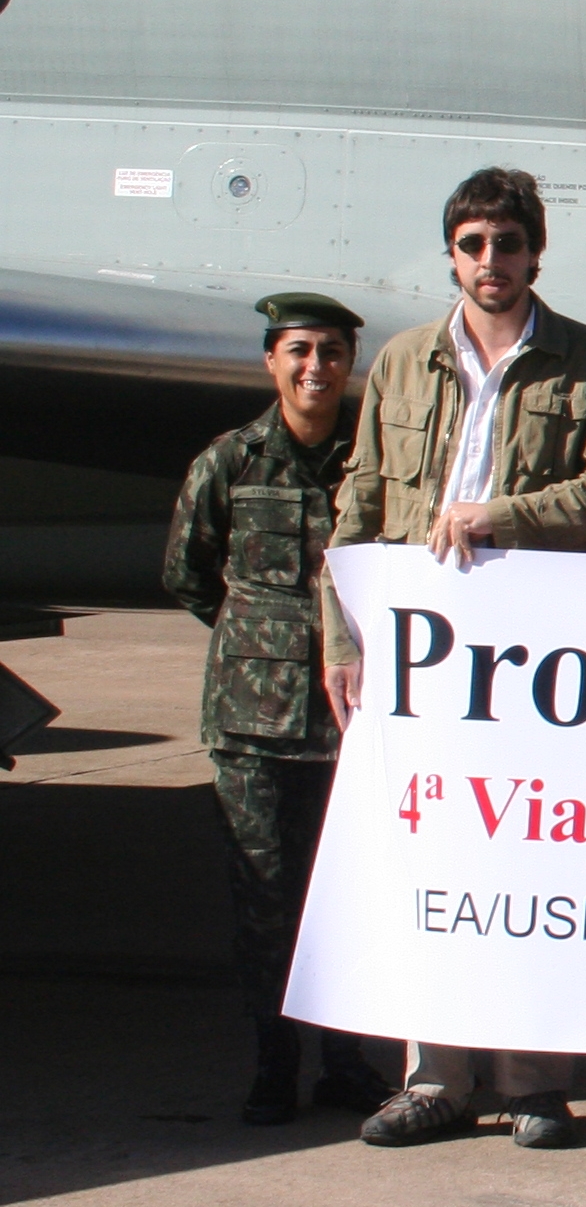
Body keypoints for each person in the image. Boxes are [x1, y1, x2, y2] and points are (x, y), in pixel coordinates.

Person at [330, 168, 586, 1153]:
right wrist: (344, 637)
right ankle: (434, 1079)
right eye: (473, 244)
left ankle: (536, 1084)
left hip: (534, 657)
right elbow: (362, 498)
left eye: (508, 243)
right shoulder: (402, 362)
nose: (491, 260)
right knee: (433, 861)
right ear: (452, 255)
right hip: (423, 654)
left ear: (535, 252)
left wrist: (499, 518)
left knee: (531, 861)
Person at [161, 292, 391, 1128]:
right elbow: (188, 574)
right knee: (265, 903)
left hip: (349, 724)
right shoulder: (231, 461)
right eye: (299, 351)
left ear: (349, 365)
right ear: (271, 361)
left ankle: (345, 1061)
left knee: (346, 898)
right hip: (252, 728)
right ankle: (274, 1061)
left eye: (331, 352)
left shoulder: (372, 462)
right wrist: (259, 641)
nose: (315, 367)